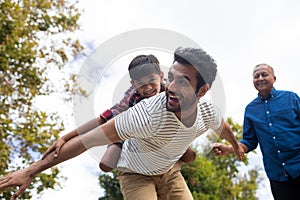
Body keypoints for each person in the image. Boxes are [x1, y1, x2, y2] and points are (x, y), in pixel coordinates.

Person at [0, 47, 244, 200]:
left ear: (202, 90)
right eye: (171, 78)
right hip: (136, 173)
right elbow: (87, 139)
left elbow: (222, 127)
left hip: (170, 172)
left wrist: (236, 146)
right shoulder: (145, 114)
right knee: (110, 160)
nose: (169, 87)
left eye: (182, 82)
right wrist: (31, 170)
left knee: (185, 154)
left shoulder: (208, 110)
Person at [42, 54, 196, 172]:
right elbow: (103, 119)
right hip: (132, 132)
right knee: (106, 164)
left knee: (189, 156)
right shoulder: (132, 96)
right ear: (134, 84)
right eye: (141, 84)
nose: (148, 88)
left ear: (161, 77)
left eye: (151, 81)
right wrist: (65, 137)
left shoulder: (170, 91)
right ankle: (121, 146)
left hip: (165, 131)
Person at [213, 64, 300, 200]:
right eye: (256, 76)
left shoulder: (291, 98)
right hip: (277, 176)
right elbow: (249, 142)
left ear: (274, 78)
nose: (260, 78)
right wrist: (231, 148)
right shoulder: (250, 110)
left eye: (264, 75)